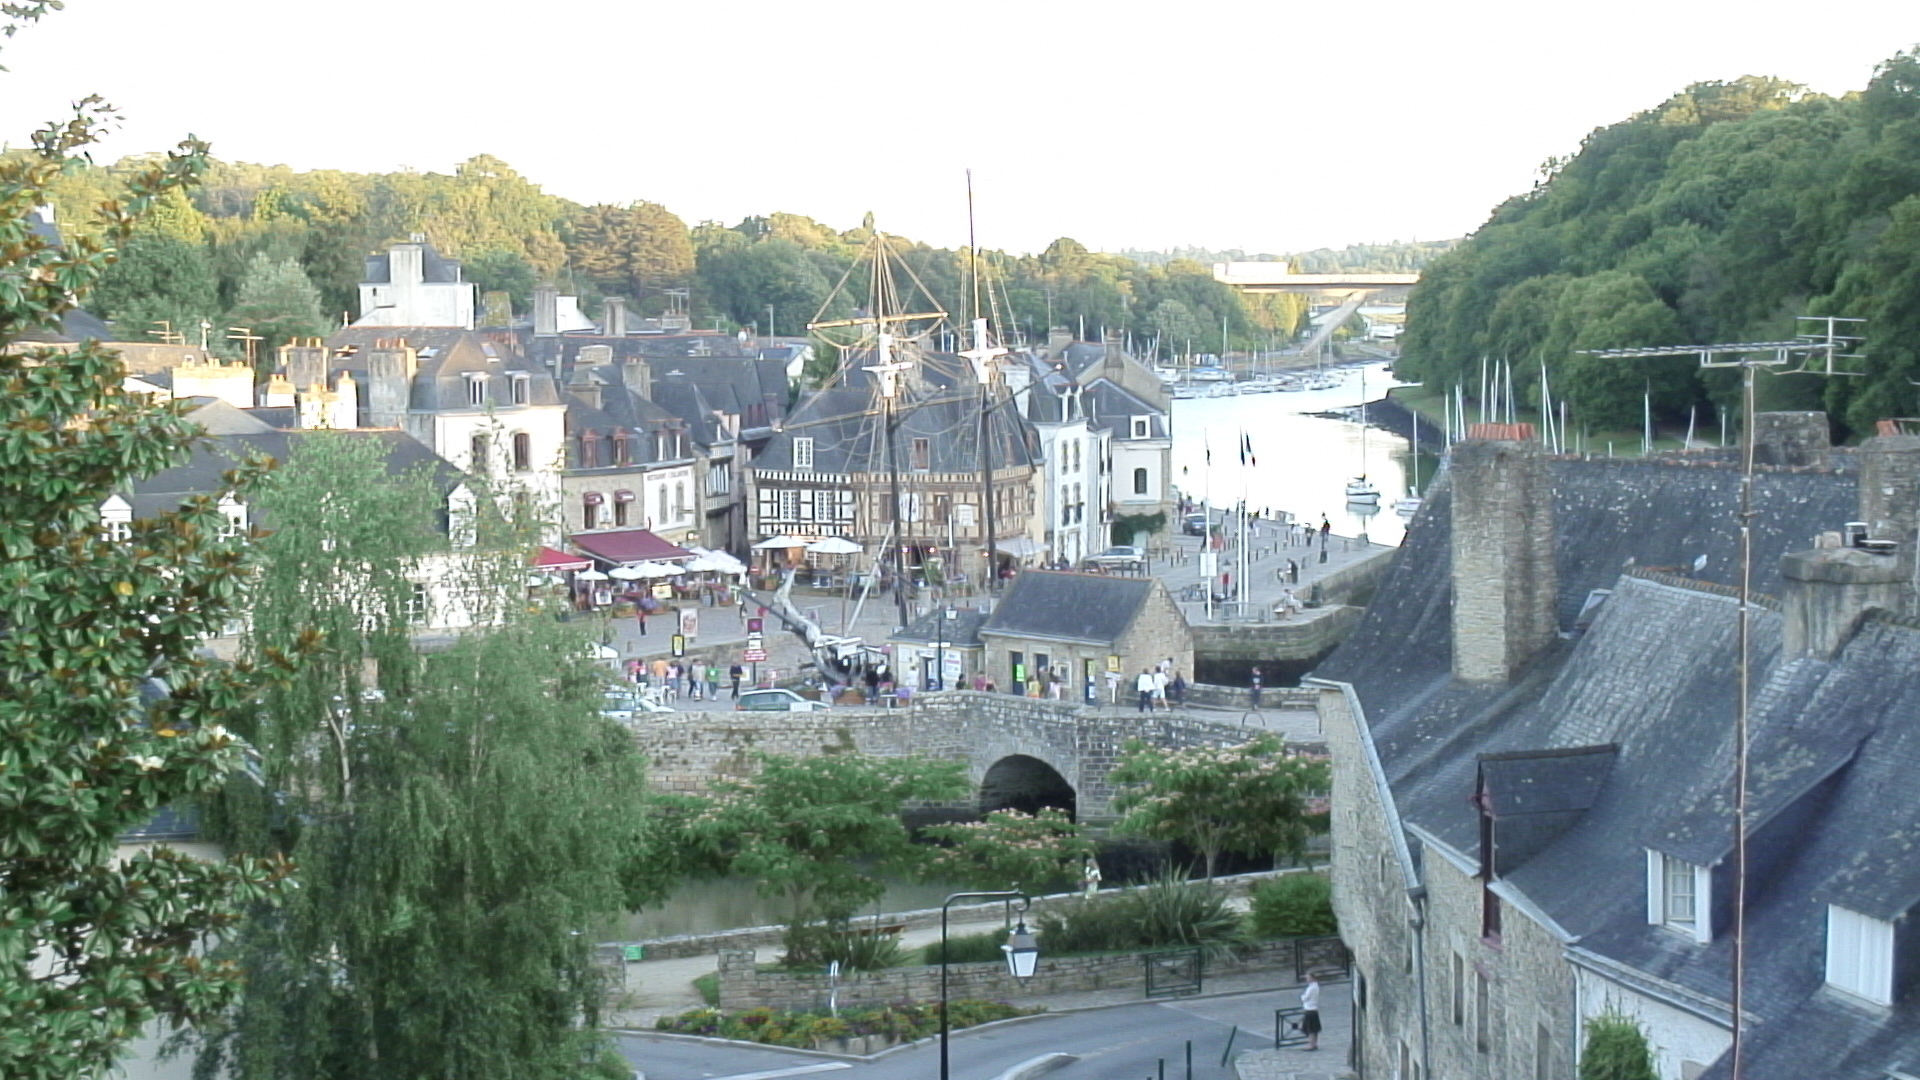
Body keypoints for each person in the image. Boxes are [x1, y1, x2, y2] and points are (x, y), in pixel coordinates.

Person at [1300, 972, 1321, 1051]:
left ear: (1313, 978)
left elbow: (1305, 998)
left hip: (1309, 1008)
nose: (1307, 979)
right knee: (1314, 1028)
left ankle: (1311, 1044)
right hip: (1314, 1009)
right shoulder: (1316, 986)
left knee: (1310, 1029)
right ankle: (1314, 1044)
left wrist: (1302, 997)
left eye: (1308, 978)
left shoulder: (1312, 988)